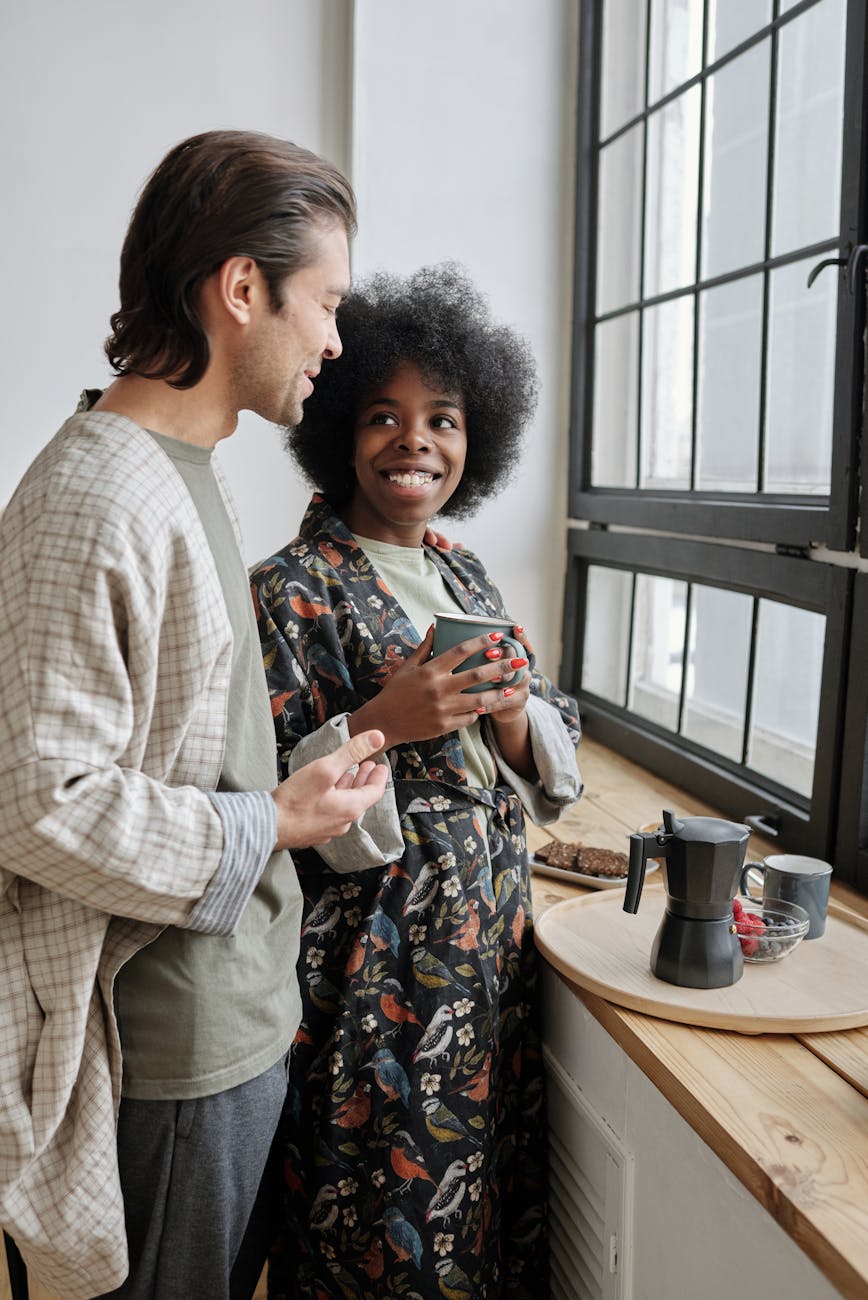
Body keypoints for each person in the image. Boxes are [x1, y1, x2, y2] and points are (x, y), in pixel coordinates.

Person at [0, 129, 396, 1300]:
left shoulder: (189, 472)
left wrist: (294, 796)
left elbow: (183, 747)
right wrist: (266, 825)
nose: (335, 338)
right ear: (240, 289)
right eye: (323, 302)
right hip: (165, 1052)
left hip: (226, 1024)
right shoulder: (95, 494)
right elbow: (38, 803)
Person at [250, 264, 583, 1300]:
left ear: (473, 439)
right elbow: (266, 795)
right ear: (341, 429)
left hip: (487, 963)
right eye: (385, 417)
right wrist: (379, 723)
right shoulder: (290, 590)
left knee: (476, 1217)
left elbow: (543, 758)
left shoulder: (465, 575)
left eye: (442, 419)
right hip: (377, 973)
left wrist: (518, 709)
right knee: (379, 1223)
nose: (415, 442)